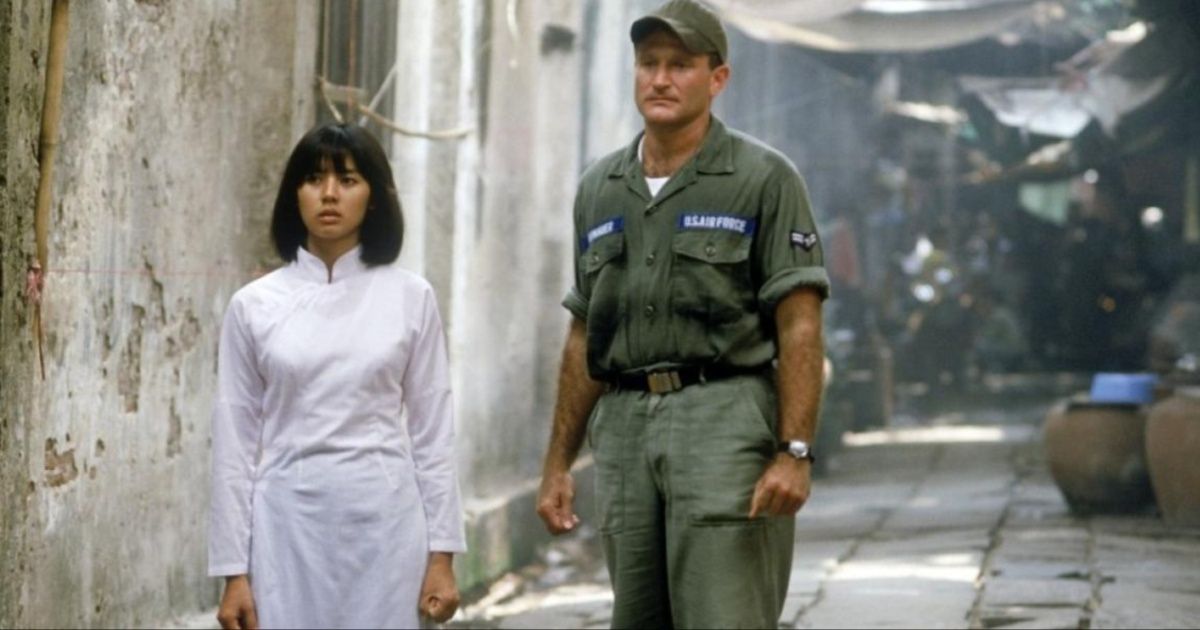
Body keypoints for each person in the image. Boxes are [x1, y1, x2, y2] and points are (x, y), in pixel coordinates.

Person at [535, 1, 829, 627]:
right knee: (637, 616)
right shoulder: (600, 188)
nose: (661, 79)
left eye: (680, 65)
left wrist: (795, 452)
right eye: (648, 64)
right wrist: (558, 461)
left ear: (716, 79)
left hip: (723, 418)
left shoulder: (764, 178)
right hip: (624, 428)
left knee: (725, 614)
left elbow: (799, 323)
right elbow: (585, 330)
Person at [208, 123, 466, 629]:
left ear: (374, 197)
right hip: (286, 528)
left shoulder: (411, 298)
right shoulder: (254, 307)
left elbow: (434, 434)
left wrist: (443, 556)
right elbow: (234, 446)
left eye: (347, 180)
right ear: (293, 195)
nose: (328, 194)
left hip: (387, 527)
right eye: (313, 179)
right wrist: (232, 571)